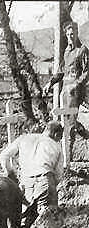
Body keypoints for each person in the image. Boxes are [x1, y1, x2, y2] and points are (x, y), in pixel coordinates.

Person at [0, 121, 64, 226]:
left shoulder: (24, 138)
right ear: (56, 134)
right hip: (45, 179)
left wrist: (10, 173)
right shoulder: (56, 146)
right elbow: (58, 175)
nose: (59, 140)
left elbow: (4, 156)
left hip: (27, 182)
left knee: (27, 218)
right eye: (59, 137)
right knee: (49, 220)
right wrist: (51, 189)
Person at [43, 21, 89, 160]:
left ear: (76, 34)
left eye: (73, 34)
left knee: (68, 123)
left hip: (76, 92)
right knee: (60, 119)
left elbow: (87, 72)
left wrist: (77, 83)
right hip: (65, 91)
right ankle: (82, 134)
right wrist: (50, 83)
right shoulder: (67, 52)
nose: (71, 36)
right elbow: (61, 72)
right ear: (66, 35)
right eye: (68, 34)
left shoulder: (83, 50)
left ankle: (66, 158)